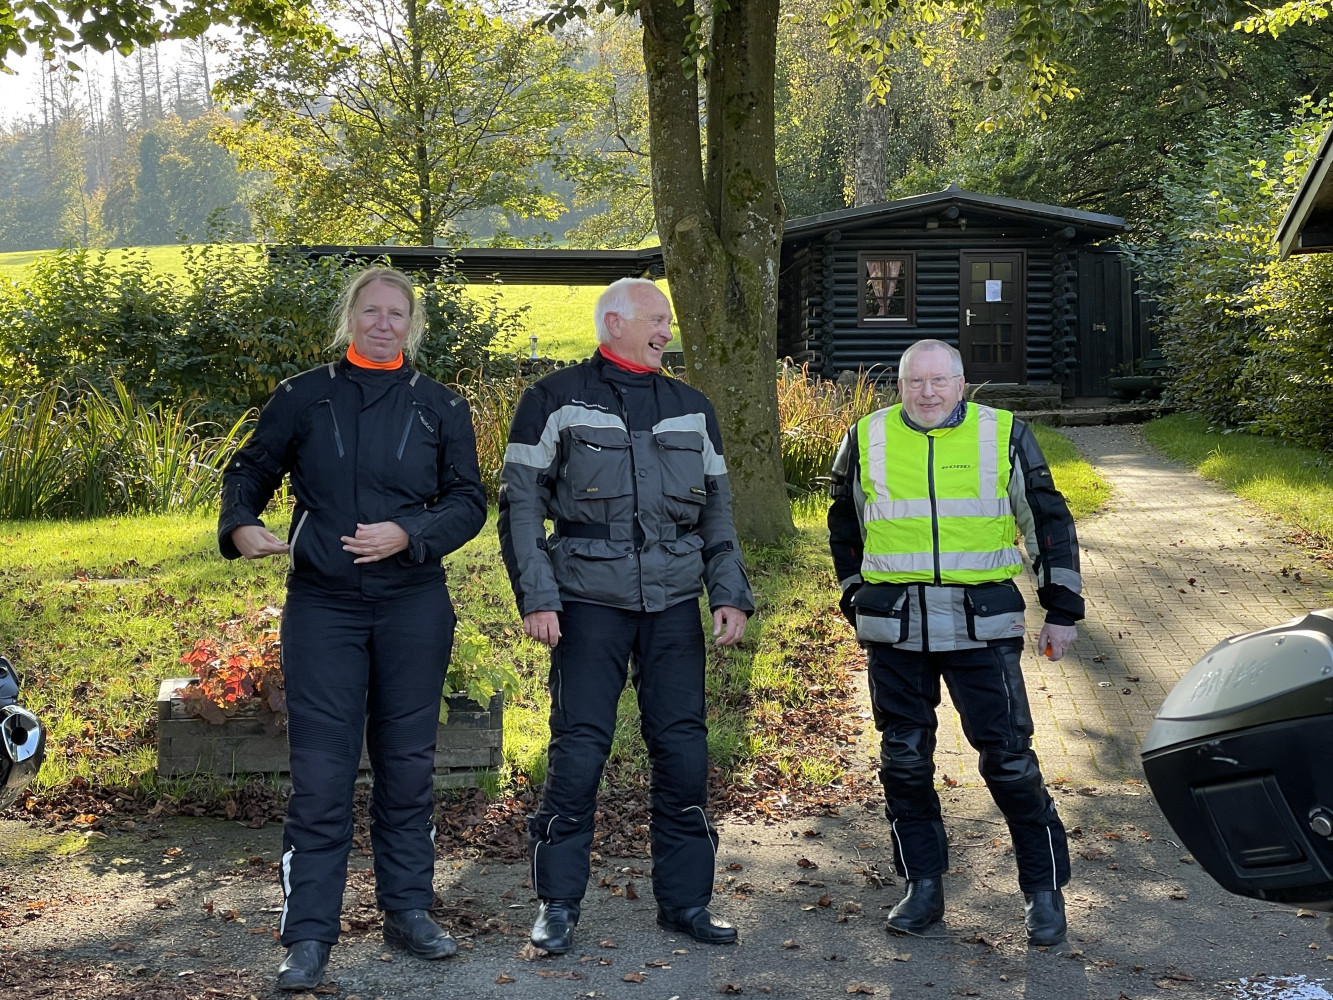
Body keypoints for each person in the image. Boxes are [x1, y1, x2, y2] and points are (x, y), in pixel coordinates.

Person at [218, 266, 487, 990]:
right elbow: (248, 471)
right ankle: (308, 935)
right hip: (324, 606)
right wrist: (241, 524)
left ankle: (409, 911)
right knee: (321, 772)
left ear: (412, 325)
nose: (382, 323)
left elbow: (469, 501)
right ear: (350, 318)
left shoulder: (440, 405)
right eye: (370, 311)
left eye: (396, 314)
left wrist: (410, 533)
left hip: (414, 605)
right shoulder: (302, 396)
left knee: (408, 764)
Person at [497, 277, 754, 954]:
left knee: (684, 751)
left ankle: (686, 903)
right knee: (578, 753)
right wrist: (538, 596)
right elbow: (520, 507)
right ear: (615, 323)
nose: (667, 330)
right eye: (656, 319)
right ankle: (557, 904)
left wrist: (728, 592)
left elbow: (718, 512)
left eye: (666, 321)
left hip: (673, 605)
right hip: (587, 605)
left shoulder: (691, 408)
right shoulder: (552, 399)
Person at [827, 338, 1083, 947]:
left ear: (960, 383)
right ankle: (922, 885)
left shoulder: (1005, 433)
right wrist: (853, 593)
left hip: (981, 627)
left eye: (939, 381)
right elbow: (844, 523)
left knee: (1010, 762)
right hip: (896, 628)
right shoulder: (866, 437)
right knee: (904, 762)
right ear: (900, 385)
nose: (927, 392)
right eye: (915, 382)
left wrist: (1062, 609)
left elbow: (1047, 520)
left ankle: (1044, 890)